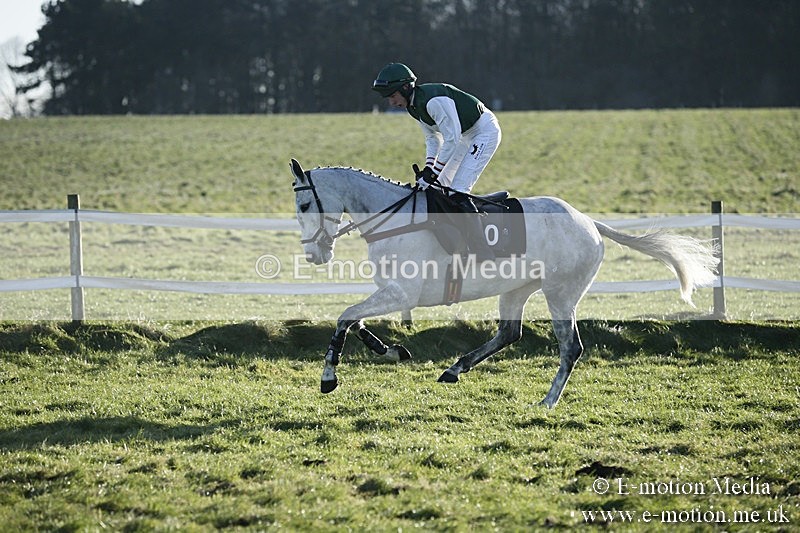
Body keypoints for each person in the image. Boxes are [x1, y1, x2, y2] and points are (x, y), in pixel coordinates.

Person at [371, 63, 500, 261]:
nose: (391, 102)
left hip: (484, 132)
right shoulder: (413, 107)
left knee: (458, 190)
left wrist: (434, 171)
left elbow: (451, 138)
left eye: (393, 96)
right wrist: (429, 170)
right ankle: (454, 244)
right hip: (464, 137)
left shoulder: (433, 102)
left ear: (406, 88)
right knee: (440, 188)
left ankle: (482, 250)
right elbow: (432, 139)